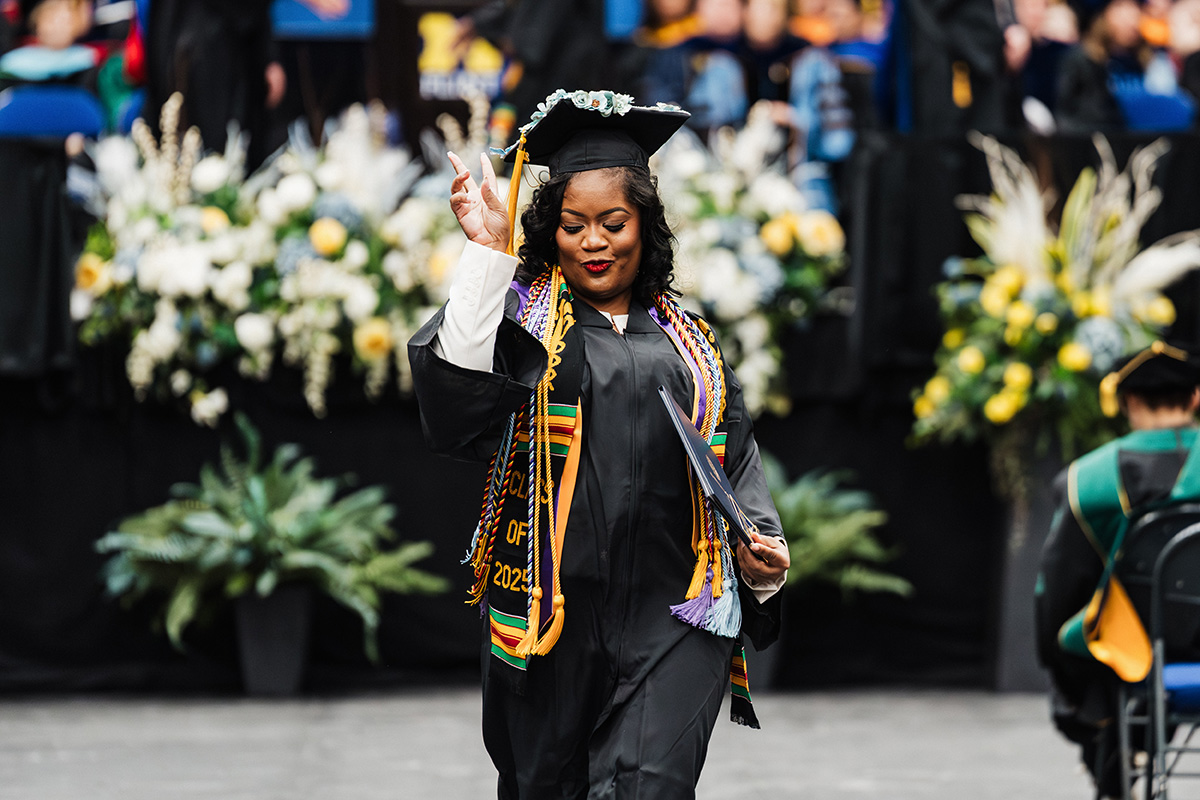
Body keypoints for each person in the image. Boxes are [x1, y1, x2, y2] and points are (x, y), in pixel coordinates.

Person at [407, 91, 790, 799]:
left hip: (676, 617)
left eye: (613, 223)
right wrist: (488, 259)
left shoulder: (692, 347)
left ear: (644, 225)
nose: (594, 241)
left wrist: (762, 556)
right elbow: (454, 399)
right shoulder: (523, 320)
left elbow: (736, 463)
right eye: (574, 225)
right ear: (550, 231)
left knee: (650, 786)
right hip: (552, 619)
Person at [1036, 340, 1200, 799]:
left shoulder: (1089, 480)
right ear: (1196, 398)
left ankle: (1117, 765)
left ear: (1128, 402)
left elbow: (1058, 587)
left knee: (1087, 635)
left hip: (1139, 656)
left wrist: (1056, 655)